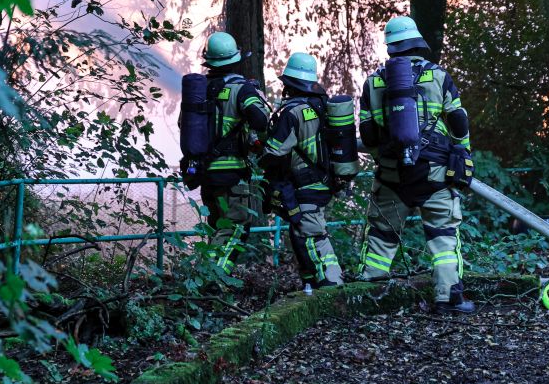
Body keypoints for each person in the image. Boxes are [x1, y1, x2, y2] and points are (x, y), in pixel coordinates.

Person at [356, 16, 475, 313]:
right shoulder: (438, 76)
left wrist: (385, 160)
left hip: (392, 176)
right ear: (416, 42)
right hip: (434, 173)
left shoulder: (373, 82)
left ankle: (368, 296)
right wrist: (463, 151)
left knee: (381, 235)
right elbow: (458, 119)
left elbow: (368, 134)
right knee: (443, 236)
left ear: (390, 47)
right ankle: (448, 298)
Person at [181, 32, 271, 274]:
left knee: (218, 226)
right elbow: (261, 121)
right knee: (236, 227)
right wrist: (257, 99)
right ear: (235, 59)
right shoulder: (241, 89)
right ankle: (211, 277)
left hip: (205, 173)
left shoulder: (200, 90)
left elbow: (183, 124)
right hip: (231, 174)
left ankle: (204, 278)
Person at [260, 53, 344, 288]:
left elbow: (274, 151)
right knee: (299, 234)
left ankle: (333, 284)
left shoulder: (292, 112)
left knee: (312, 235)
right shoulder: (322, 106)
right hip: (323, 181)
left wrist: (259, 150)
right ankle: (311, 285)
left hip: (305, 184)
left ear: (290, 83)